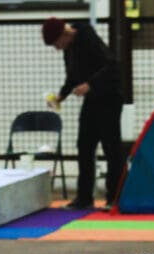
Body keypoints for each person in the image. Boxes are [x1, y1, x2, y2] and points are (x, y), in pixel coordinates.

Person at [41, 16, 125, 209]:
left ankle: (115, 197)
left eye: (56, 44)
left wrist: (90, 84)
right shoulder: (69, 49)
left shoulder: (87, 37)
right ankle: (84, 197)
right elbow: (72, 77)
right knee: (84, 145)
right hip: (93, 99)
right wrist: (61, 96)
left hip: (110, 96)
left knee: (111, 146)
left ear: (64, 34)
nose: (57, 48)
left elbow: (112, 65)